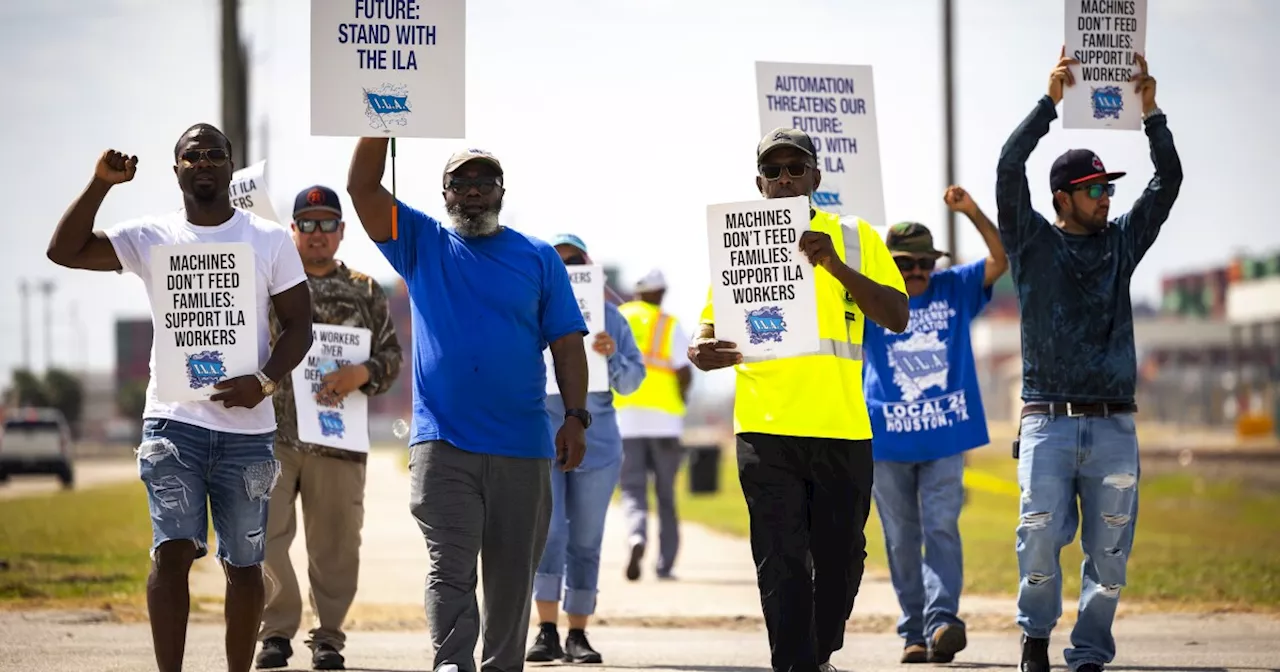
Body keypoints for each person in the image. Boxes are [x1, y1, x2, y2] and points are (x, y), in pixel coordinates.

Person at [45, 124, 313, 672]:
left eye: (217, 154)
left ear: (230, 167)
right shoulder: (152, 237)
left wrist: (262, 381)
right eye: (194, 155)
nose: (206, 162)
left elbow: (300, 326)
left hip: (247, 433)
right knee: (170, 555)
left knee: (244, 565)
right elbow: (64, 251)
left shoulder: (268, 239)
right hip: (173, 427)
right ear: (177, 170)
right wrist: (101, 184)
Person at [346, 141, 590, 672]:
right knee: (449, 567)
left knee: (510, 577)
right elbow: (363, 189)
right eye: (461, 183)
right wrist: (376, 124)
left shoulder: (538, 257)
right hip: (442, 443)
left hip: (522, 446)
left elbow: (568, 344)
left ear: (502, 192)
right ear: (445, 194)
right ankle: (451, 664)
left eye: (484, 182)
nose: (473, 191)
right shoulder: (421, 242)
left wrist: (575, 417)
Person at [688, 127, 909, 672]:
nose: (784, 178)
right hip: (765, 429)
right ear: (759, 184)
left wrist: (835, 266)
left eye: (795, 168)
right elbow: (709, 327)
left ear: (816, 176)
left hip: (841, 428)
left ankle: (816, 653)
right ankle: (796, 665)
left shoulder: (855, 236)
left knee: (840, 561)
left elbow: (897, 316)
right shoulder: (737, 241)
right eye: (773, 171)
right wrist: (700, 350)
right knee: (781, 559)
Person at [995, 50, 1180, 672]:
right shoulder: (1030, 242)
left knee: (1110, 559)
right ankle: (1035, 638)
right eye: (1093, 189)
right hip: (1047, 421)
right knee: (1038, 537)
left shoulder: (1122, 243)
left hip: (1113, 427)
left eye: (1107, 189)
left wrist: (1151, 113)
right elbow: (1007, 164)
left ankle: (1091, 654)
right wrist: (1048, 103)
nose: (1105, 198)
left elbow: (1168, 184)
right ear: (1062, 198)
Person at [256, 185, 404, 670]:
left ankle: (328, 638)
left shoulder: (364, 289)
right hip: (272, 435)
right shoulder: (268, 283)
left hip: (338, 441)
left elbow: (391, 358)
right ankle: (275, 632)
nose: (318, 234)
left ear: (341, 231)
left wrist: (360, 374)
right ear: (292, 230)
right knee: (263, 538)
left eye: (327, 224)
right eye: (308, 223)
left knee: (336, 545)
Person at [861, 187, 1008, 665]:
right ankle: (914, 631)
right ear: (887, 266)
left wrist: (971, 212)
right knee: (901, 539)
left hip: (947, 437)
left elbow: (1000, 258)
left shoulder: (955, 287)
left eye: (924, 262)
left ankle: (943, 620)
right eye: (905, 264)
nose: (918, 272)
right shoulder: (869, 298)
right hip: (885, 440)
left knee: (941, 527)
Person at [525, 234, 647, 665]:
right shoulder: (531, 310)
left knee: (585, 539)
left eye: (573, 261)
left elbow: (633, 381)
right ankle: (544, 631)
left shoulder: (612, 318)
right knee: (549, 532)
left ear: (588, 264)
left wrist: (611, 357)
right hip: (543, 437)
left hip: (598, 443)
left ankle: (578, 633)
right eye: (557, 263)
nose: (567, 269)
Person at [613, 268, 693, 581]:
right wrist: (682, 399)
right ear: (660, 293)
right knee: (666, 496)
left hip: (626, 421)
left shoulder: (618, 318)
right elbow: (684, 371)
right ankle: (665, 564)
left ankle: (636, 537)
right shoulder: (668, 324)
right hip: (665, 423)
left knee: (632, 490)